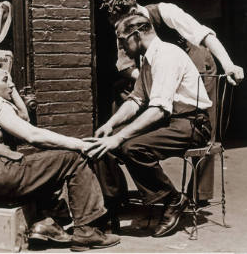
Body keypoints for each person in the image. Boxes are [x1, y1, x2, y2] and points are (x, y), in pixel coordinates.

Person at [0, 60, 120, 251]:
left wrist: (8, 81)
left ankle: (46, 223)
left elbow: (23, 117)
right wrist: (80, 144)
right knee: (73, 158)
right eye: (6, 80)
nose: (11, 84)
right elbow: (33, 135)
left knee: (46, 165)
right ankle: (87, 231)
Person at [99, 0, 244, 204]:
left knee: (203, 125)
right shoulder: (125, 30)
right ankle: (119, 194)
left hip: (196, 68)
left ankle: (198, 194)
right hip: (159, 71)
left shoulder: (165, 11)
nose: (119, 35)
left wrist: (228, 64)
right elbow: (125, 65)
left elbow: (204, 36)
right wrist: (150, 81)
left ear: (131, 12)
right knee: (123, 101)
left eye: (120, 24)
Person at [85, 13, 213, 237]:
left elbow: (158, 109)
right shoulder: (148, 58)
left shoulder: (167, 55)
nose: (122, 47)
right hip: (170, 121)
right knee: (102, 144)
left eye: (123, 40)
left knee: (132, 147)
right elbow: (137, 100)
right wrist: (111, 125)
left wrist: (120, 136)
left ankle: (172, 199)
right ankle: (112, 208)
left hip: (191, 123)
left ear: (136, 35)